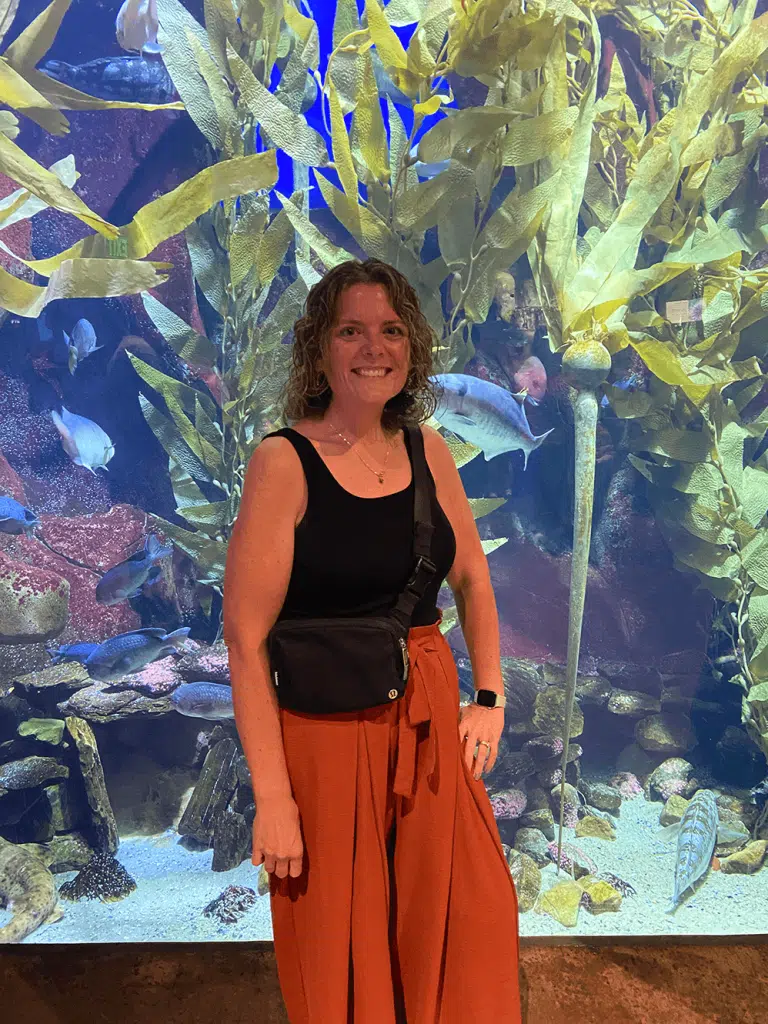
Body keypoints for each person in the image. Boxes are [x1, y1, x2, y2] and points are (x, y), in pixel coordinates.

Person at [222, 258, 521, 1024]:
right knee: (339, 949)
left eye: (390, 330)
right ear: (319, 348)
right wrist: (273, 798)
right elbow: (246, 643)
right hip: (323, 740)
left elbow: (473, 580)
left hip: (428, 727)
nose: (372, 347)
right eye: (350, 330)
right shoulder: (282, 462)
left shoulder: (431, 451)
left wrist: (490, 696)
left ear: (411, 346)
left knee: (470, 920)